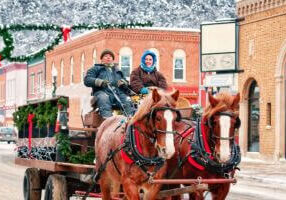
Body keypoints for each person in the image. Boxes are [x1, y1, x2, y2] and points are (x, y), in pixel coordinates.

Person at [84, 49, 134, 118]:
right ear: (101, 59)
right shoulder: (95, 68)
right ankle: (108, 121)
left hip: (117, 94)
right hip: (101, 93)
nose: (108, 57)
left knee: (127, 100)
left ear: (112, 59)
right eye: (106, 56)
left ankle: (129, 122)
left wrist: (123, 82)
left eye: (110, 56)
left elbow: (126, 82)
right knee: (104, 98)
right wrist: (100, 82)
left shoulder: (118, 71)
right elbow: (87, 80)